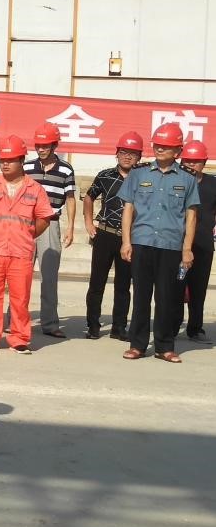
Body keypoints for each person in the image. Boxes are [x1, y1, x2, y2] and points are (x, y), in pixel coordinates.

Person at [119, 123, 198, 363]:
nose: (160, 149)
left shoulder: (187, 179)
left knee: (167, 298)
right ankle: (138, 345)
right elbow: (128, 209)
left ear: (178, 151)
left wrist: (187, 248)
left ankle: (165, 346)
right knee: (141, 296)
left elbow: (191, 216)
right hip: (142, 242)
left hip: (171, 245)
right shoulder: (138, 174)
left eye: (166, 146)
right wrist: (126, 242)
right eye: (158, 145)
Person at [0, 135, 55, 355]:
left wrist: (27, 234)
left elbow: (44, 218)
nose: (5, 164)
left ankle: (19, 338)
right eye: (2, 160)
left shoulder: (35, 189)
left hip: (21, 252)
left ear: (21, 161)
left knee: (20, 298)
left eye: (10, 160)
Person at [82, 131, 143, 340]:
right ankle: (93, 325)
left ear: (139, 156)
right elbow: (89, 197)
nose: (127, 157)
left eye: (133, 153)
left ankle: (119, 327)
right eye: (124, 152)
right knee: (96, 283)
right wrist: (89, 222)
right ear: (116, 154)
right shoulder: (105, 175)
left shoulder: (143, 178)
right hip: (105, 234)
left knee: (124, 285)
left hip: (129, 238)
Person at [24, 123, 76, 337]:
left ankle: (50, 324)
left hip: (51, 224)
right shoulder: (26, 167)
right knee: (20, 275)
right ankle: (15, 321)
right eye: (38, 145)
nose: (41, 149)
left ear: (55, 145)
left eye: (46, 145)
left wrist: (70, 227)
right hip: (26, 224)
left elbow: (70, 199)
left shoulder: (66, 169)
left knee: (49, 277)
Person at [175, 140, 215, 342]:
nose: (191, 165)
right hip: (176, 243)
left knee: (198, 288)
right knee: (175, 286)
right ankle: (172, 326)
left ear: (204, 162)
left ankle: (195, 328)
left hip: (203, 244)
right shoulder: (175, 181)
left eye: (196, 161)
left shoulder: (213, 184)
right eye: (187, 161)